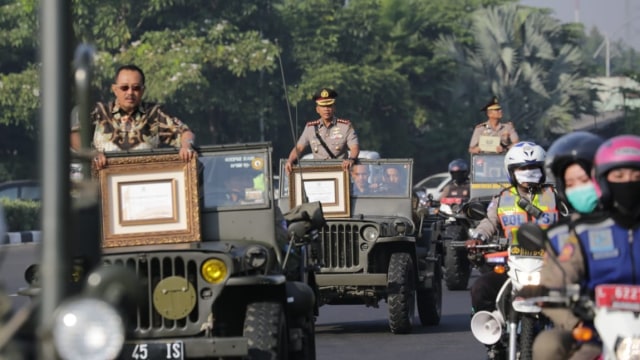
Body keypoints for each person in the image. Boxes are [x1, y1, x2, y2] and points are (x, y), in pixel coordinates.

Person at [530, 134, 640, 360]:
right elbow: (555, 281)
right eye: (618, 176)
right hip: (599, 333)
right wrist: (576, 317)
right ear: (603, 181)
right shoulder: (582, 233)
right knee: (547, 346)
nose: (628, 182)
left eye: (636, 176)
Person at [464, 141, 565, 356]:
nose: (529, 173)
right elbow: (489, 223)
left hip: (552, 265)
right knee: (480, 289)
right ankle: (493, 342)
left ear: (543, 170)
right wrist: (478, 238)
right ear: (511, 172)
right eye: (523, 168)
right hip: (513, 264)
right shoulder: (502, 198)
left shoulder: (556, 196)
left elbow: (573, 222)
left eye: (534, 168)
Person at [70, 64, 196, 169]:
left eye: (136, 88)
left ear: (143, 90)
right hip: (104, 184)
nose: (130, 92)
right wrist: (92, 153)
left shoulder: (154, 113)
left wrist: (186, 146)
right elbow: (74, 136)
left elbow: (185, 133)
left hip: (145, 183)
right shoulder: (99, 111)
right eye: (124, 88)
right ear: (115, 89)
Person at [285, 88, 360, 174]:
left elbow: (354, 147)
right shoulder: (310, 128)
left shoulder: (345, 126)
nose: (326, 109)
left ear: (334, 108)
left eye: (329, 106)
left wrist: (351, 159)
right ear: (317, 109)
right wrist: (290, 160)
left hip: (340, 175)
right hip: (319, 176)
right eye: (323, 106)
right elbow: (299, 148)